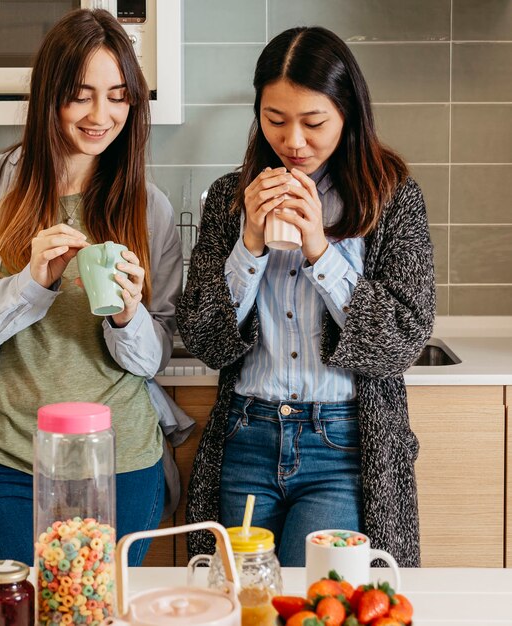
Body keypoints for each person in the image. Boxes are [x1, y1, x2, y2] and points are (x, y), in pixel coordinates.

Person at [0, 8, 184, 567]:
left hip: (123, 462)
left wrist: (128, 317)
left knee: (99, 612)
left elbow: (155, 353)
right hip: (8, 467)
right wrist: (28, 286)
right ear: (48, 97)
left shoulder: (148, 208)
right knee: (13, 609)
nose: (100, 114)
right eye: (80, 94)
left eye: (117, 95)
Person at [177, 25, 436, 567]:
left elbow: (402, 343)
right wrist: (248, 243)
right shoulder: (231, 197)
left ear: (348, 113)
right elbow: (203, 339)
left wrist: (320, 250)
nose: (293, 141)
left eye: (313, 122)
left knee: (316, 599)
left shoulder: (391, 199)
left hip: (343, 444)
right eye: (275, 120)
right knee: (240, 599)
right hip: (246, 435)